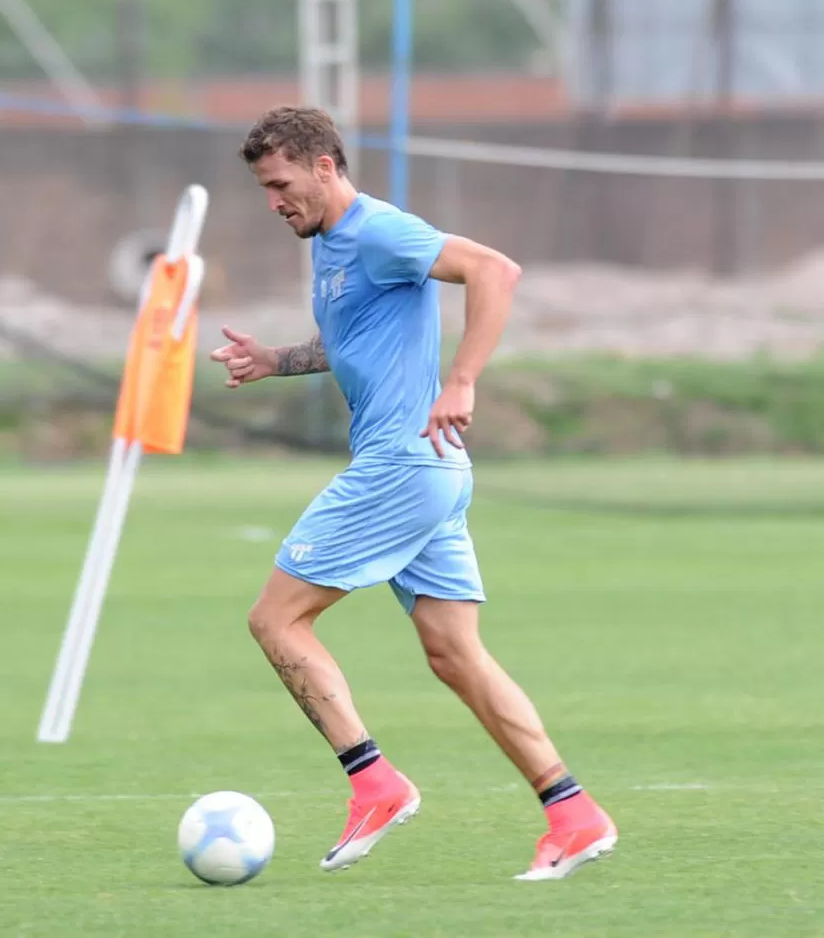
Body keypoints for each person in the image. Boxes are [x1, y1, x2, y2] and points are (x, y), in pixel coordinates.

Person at [211, 106, 617, 880]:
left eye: (280, 183)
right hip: (428, 469)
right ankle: (572, 812)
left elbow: (496, 270)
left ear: (324, 166)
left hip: (400, 465)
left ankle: (374, 781)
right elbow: (353, 341)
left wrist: (461, 379)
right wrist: (275, 360)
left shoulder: (379, 231)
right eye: (265, 188)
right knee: (455, 655)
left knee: (276, 619)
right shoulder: (332, 247)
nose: (273, 201)